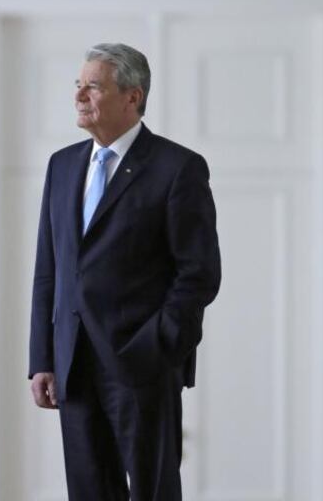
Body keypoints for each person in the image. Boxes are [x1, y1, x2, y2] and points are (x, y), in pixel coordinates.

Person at [28, 43, 222, 500]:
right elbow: (48, 270)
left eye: (93, 86)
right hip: (73, 365)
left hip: (142, 366)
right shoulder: (62, 165)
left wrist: (158, 347)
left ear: (132, 97)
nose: (79, 96)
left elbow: (199, 274)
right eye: (78, 85)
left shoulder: (178, 168)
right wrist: (42, 358)